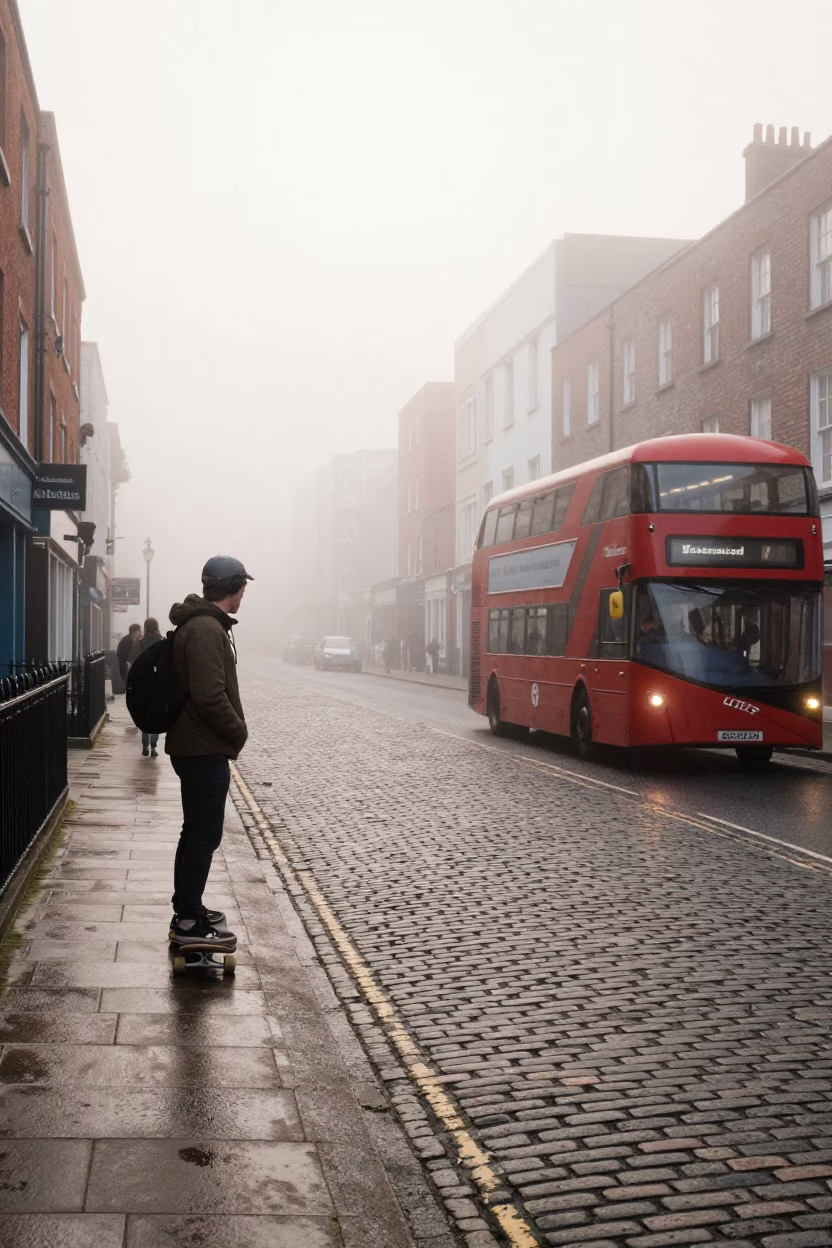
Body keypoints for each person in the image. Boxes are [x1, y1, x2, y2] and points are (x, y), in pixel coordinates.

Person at [166, 556, 253, 951]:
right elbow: (208, 695)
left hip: (196, 745)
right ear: (232, 587)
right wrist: (238, 731)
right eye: (243, 587)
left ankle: (188, 907)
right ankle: (188, 921)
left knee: (195, 830)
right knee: (205, 833)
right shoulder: (204, 629)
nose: (244, 594)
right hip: (203, 747)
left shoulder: (204, 624)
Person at [130, 617, 164, 756]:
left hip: (142, 683)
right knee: (155, 714)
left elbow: (133, 661)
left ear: (145, 628)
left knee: (144, 713)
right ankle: (154, 746)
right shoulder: (163, 643)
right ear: (156, 628)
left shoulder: (138, 644)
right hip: (157, 683)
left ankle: (145, 745)